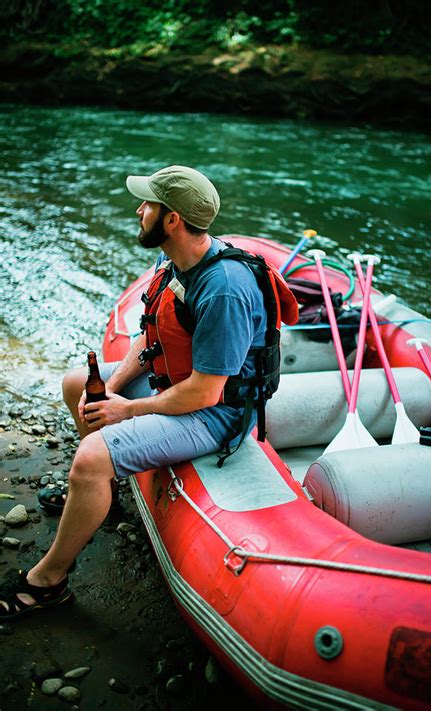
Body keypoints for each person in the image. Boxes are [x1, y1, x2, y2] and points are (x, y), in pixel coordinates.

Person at [0, 165, 297, 620]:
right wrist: (110, 390)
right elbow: (151, 335)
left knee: (92, 458)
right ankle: (101, 497)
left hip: (216, 414)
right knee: (76, 383)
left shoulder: (224, 291)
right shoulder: (174, 259)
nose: (139, 211)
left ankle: (47, 583)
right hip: (175, 383)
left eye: (148, 204)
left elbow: (205, 392)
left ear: (173, 218)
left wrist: (127, 411)